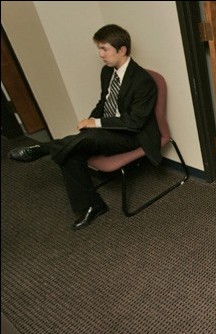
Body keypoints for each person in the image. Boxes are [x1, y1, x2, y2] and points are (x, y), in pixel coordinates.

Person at [8, 24, 161, 230]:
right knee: (72, 153)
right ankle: (92, 205)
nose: (100, 54)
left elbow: (135, 123)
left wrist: (95, 124)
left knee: (86, 139)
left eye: (104, 49)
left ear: (122, 50)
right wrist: (91, 119)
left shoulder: (143, 81)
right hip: (106, 131)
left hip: (132, 135)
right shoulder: (107, 73)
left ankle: (43, 148)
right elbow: (104, 103)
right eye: (99, 49)